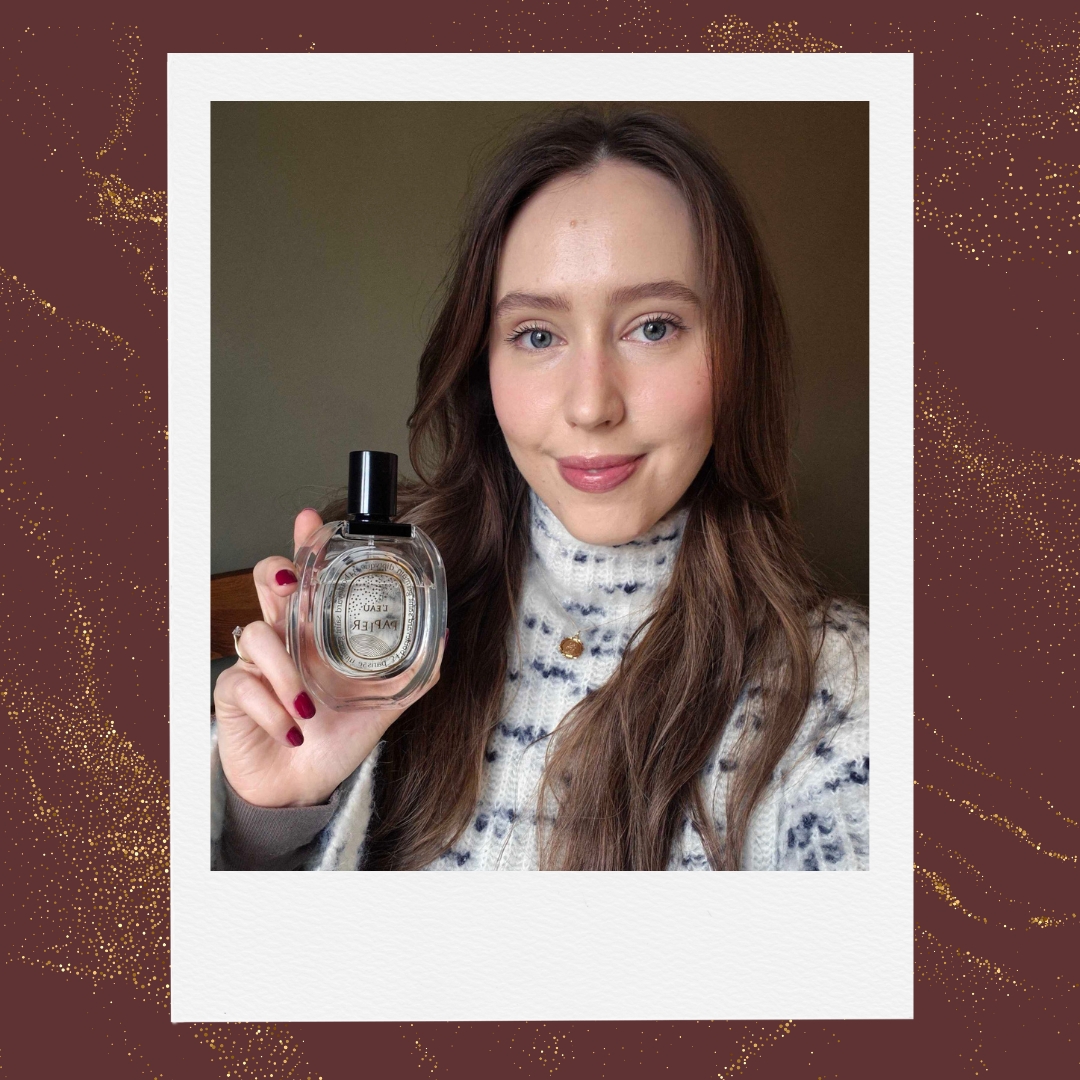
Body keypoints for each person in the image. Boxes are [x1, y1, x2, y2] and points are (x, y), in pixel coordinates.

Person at [211, 106, 869, 872]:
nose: (592, 405)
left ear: (736, 349)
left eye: (654, 327)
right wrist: (267, 820)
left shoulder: (844, 695)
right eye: (537, 335)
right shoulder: (372, 611)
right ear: (481, 362)